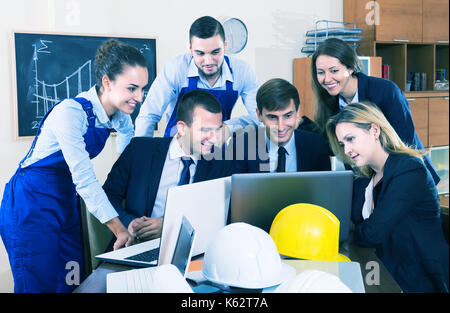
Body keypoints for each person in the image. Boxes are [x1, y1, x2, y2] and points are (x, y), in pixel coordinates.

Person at [0, 39, 148, 292]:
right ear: (107, 82)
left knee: (73, 276)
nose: (139, 97)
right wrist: (119, 228)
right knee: (38, 282)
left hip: (65, 200)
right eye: (132, 88)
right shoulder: (70, 112)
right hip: (30, 201)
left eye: (143, 89)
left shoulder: (122, 120)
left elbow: (125, 168)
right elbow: (85, 178)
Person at [326, 101, 449, 293]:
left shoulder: (409, 169)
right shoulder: (365, 179)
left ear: (374, 130)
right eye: (343, 144)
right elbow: (348, 223)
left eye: (351, 139)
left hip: (419, 278)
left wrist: (352, 233)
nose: (347, 150)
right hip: (382, 270)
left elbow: (372, 233)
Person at [103, 89, 230, 242]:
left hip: (189, 247)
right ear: (182, 128)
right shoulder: (139, 150)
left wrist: (170, 225)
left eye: (218, 130)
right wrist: (128, 222)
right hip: (135, 243)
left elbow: (217, 214)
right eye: (205, 130)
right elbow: (107, 195)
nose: (214, 139)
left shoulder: (220, 162)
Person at [310, 37, 440, 184]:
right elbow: (334, 146)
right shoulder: (329, 103)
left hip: (407, 176)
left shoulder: (385, 91)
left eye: (334, 71)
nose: (327, 79)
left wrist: (383, 186)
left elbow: (404, 142)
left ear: (350, 68)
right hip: (368, 179)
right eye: (320, 72)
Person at [135, 15, 261, 139]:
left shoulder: (242, 71)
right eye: (200, 53)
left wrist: (229, 126)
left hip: (215, 150)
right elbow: (149, 115)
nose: (208, 61)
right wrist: (143, 155)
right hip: (174, 151)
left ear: (225, 45)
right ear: (190, 48)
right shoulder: (175, 69)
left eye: (215, 52)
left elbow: (261, 116)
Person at [228, 78, 331, 173]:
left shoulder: (317, 144)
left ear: (297, 112)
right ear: (259, 115)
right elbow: (237, 191)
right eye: (272, 117)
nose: (281, 127)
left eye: (288, 116)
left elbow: (325, 190)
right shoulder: (240, 146)